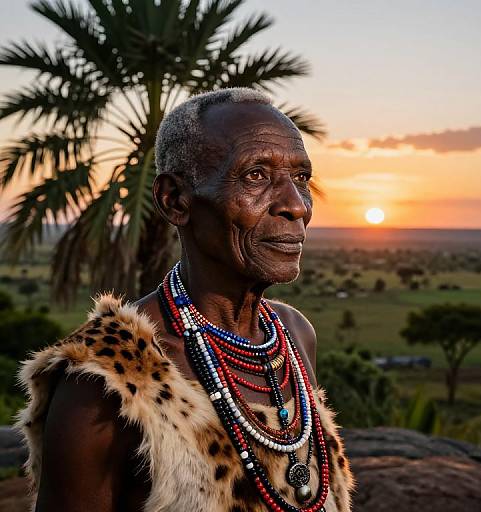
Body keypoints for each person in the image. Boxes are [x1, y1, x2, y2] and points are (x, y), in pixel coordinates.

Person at [18, 88, 354, 512]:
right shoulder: (106, 378)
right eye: (256, 175)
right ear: (175, 200)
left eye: (301, 178)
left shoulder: (293, 335)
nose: (296, 205)